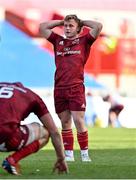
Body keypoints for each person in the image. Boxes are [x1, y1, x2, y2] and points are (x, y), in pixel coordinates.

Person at [39, 14, 102, 162]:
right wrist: (62, 21)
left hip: (76, 87)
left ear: (78, 29)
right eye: (66, 26)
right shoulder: (57, 40)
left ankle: (85, 154)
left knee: (78, 121)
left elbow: (98, 26)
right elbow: (42, 27)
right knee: (65, 121)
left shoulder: (84, 41)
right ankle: (69, 154)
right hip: (59, 87)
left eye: (71, 26)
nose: (67, 28)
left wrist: (81, 21)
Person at [0, 82, 68, 175]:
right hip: (6, 138)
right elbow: (54, 131)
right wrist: (61, 158)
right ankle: (12, 160)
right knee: (45, 133)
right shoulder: (31, 96)